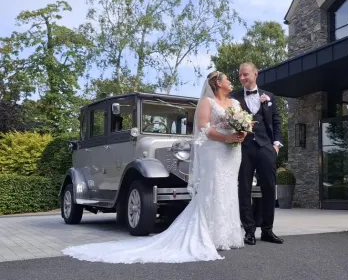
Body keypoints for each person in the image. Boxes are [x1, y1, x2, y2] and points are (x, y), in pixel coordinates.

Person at [61, 71, 246, 264]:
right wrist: (226, 137)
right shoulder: (208, 102)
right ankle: (210, 233)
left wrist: (242, 133)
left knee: (228, 191)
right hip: (216, 148)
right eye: (227, 79)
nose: (231, 81)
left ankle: (226, 234)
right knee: (214, 189)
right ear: (218, 82)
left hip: (230, 152)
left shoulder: (234, 103)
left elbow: (240, 123)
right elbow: (204, 128)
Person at [231, 62, 284, 245]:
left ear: (255, 74)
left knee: (269, 188)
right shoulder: (234, 98)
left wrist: (276, 145)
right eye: (240, 75)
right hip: (244, 148)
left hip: (266, 147)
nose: (243, 78)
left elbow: (276, 122)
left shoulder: (269, 97)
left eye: (245, 74)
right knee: (244, 188)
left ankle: (268, 230)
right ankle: (249, 231)